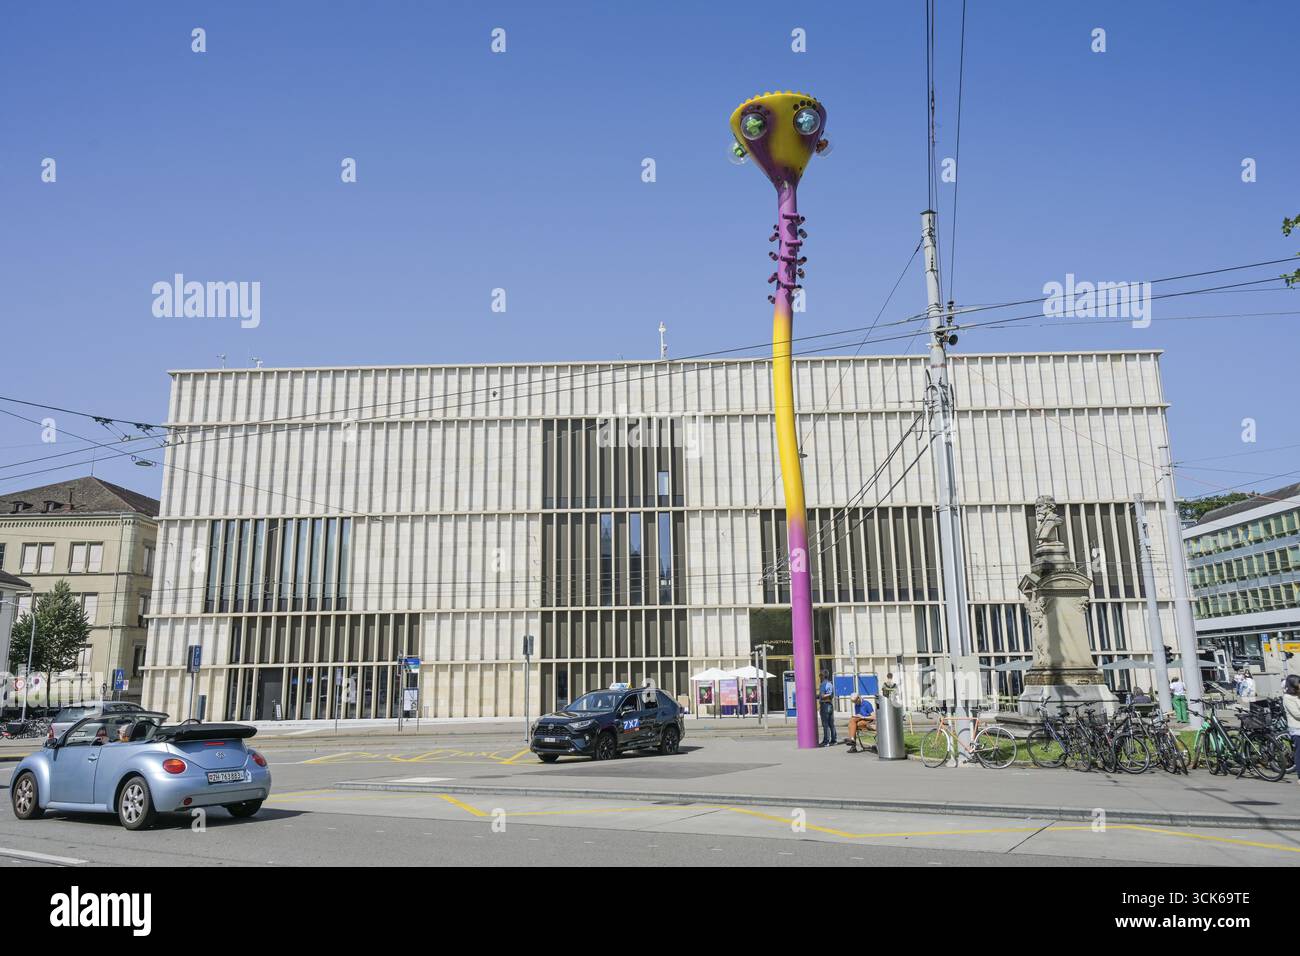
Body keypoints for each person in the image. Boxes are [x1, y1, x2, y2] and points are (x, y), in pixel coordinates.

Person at [1284, 675, 1300, 785]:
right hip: (1297, 729)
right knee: (1299, 753)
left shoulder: (1298, 695)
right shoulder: (1287, 698)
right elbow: (1297, 714)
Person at [818, 670, 837, 747]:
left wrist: (818, 696)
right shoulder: (830, 684)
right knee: (831, 724)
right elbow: (831, 695)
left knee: (825, 724)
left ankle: (826, 741)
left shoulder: (823, 684)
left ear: (822, 676)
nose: (819, 678)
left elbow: (822, 695)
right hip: (830, 704)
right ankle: (834, 740)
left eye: (820, 676)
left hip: (824, 705)